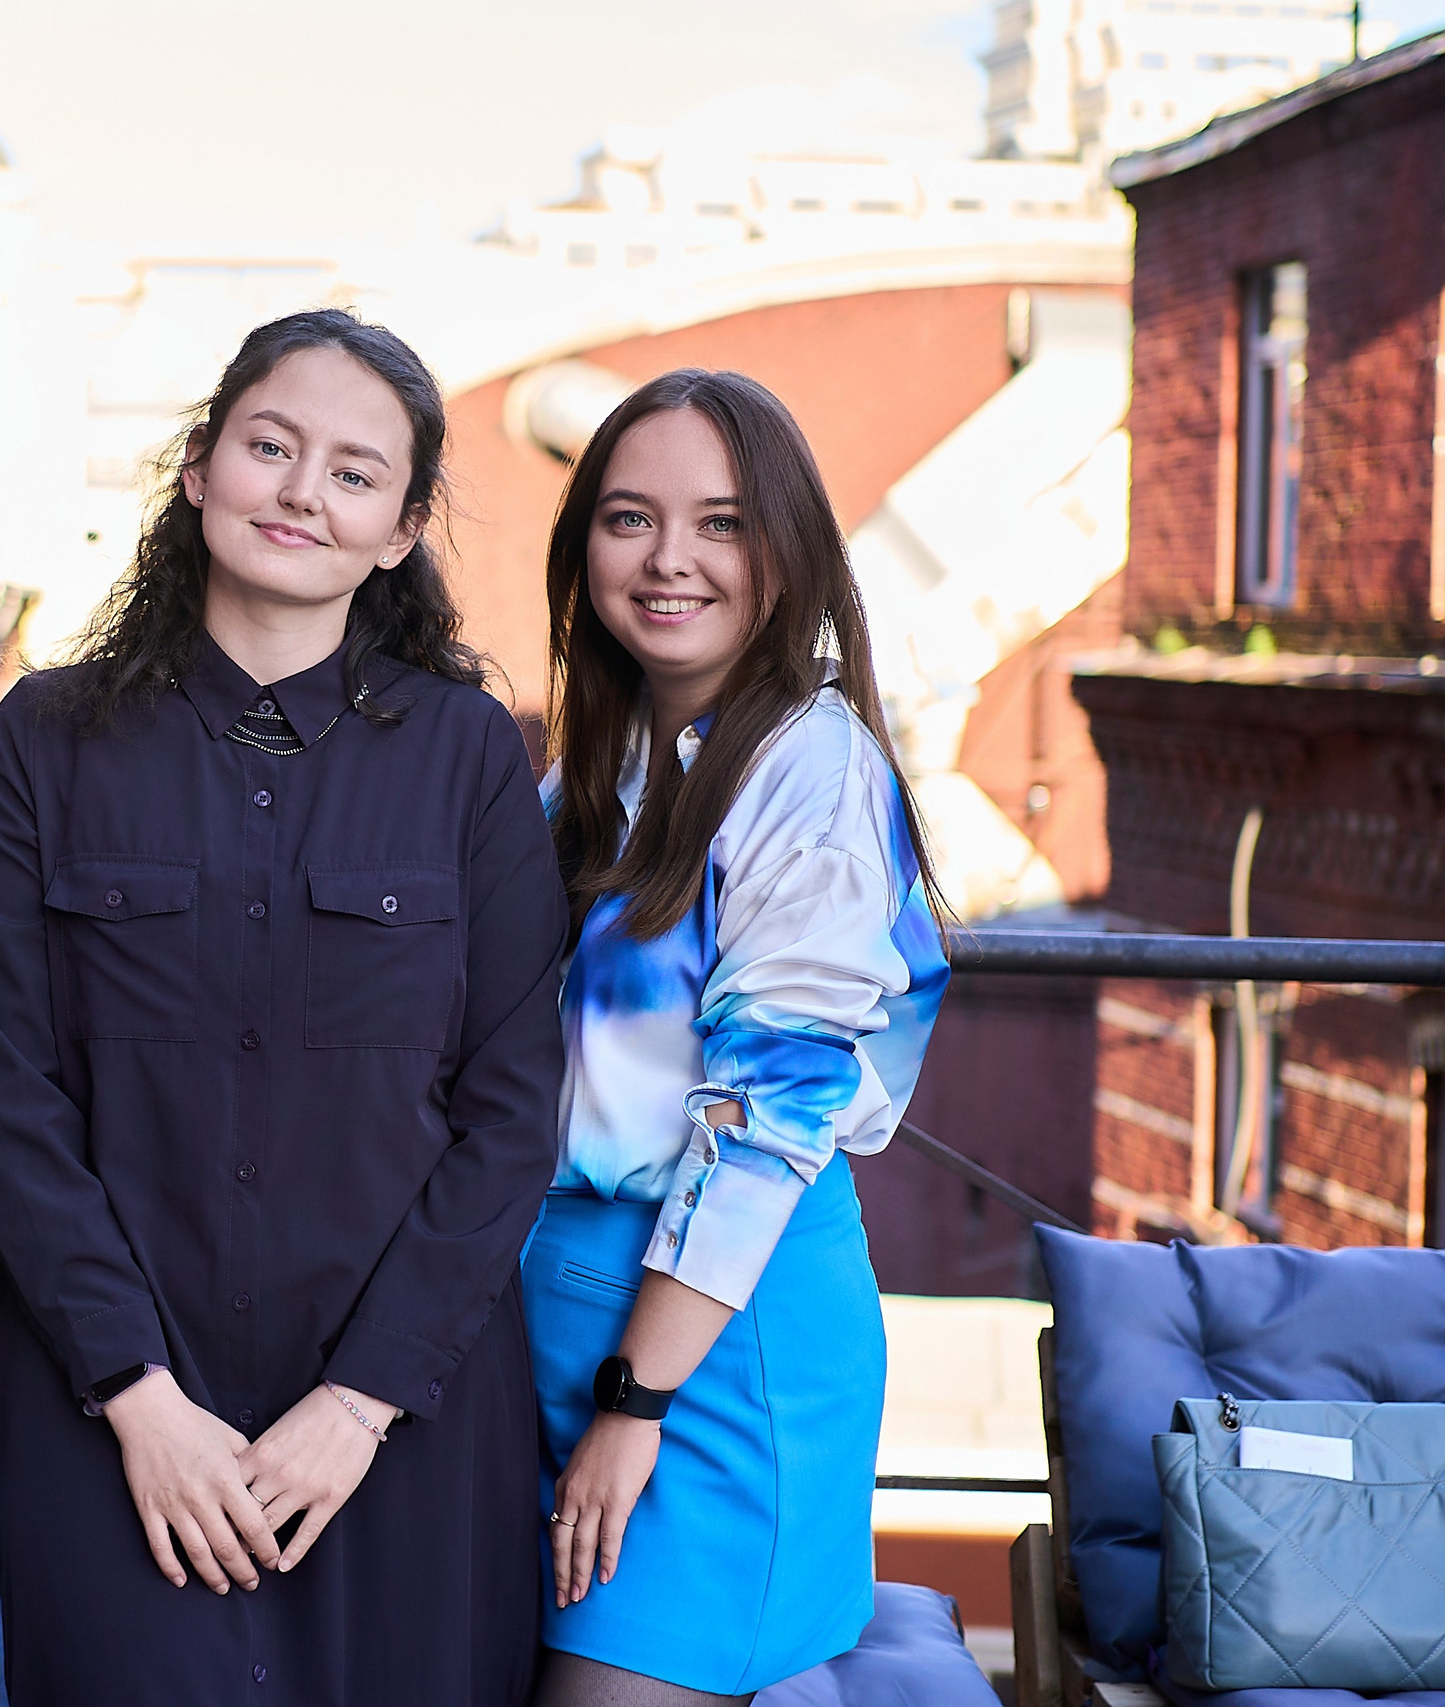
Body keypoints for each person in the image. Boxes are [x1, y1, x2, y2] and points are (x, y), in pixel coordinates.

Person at [0, 308, 568, 1706]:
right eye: (269, 446)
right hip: (114, 1422)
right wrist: (137, 1396)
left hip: (400, 1428)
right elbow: (10, 1096)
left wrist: (359, 1405)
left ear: (401, 530)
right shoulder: (44, 741)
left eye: (354, 472)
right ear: (198, 471)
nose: (301, 490)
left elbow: (512, 1109)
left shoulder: (471, 756)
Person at [525, 369, 951, 1707]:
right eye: (629, 517)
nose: (668, 561)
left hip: (707, 1341)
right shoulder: (606, 765)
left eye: (719, 523)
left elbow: (766, 1123)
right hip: (565, 1315)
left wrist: (634, 1408)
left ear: (791, 552)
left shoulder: (807, 773)